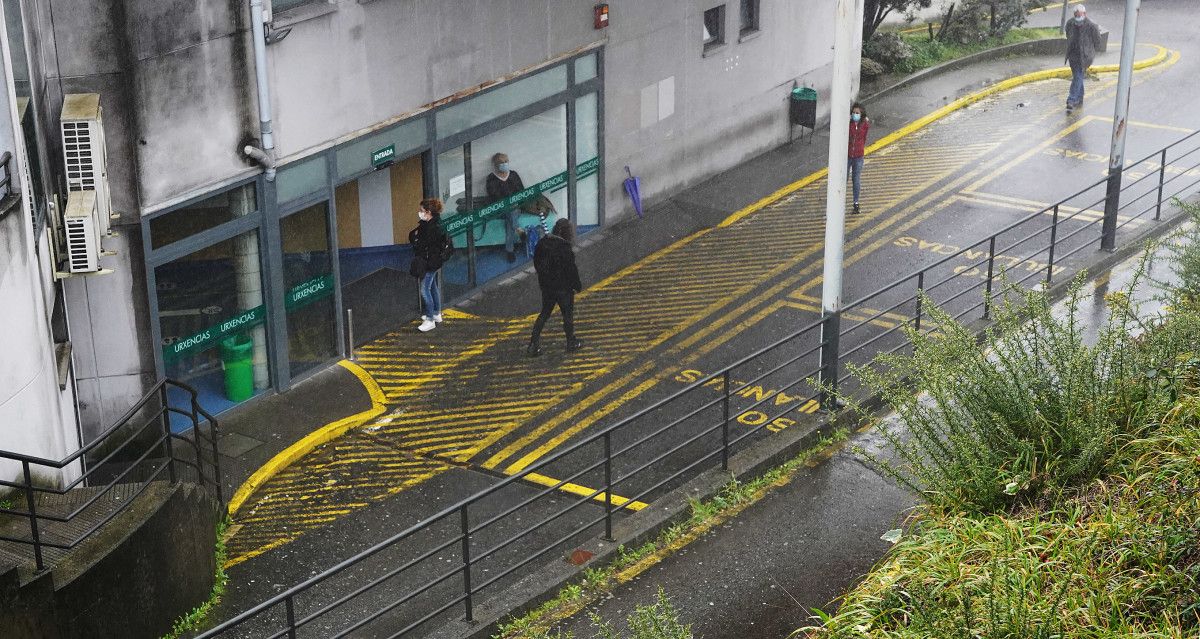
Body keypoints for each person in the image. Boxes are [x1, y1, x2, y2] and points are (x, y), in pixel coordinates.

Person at [527, 218, 583, 357]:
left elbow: (537, 264)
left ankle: (534, 343)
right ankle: (571, 341)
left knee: (545, 313)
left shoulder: (542, 244)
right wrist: (577, 285)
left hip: (547, 287)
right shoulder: (565, 249)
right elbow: (571, 270)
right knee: (567, 315)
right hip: (563, 288)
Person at [408, 198, 450, 332]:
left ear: (428, 212)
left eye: (421, 211)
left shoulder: (431, 228)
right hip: (435, 262)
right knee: (432, 287)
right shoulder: (435, 224)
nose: (419, 213)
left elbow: (427, 246)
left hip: (430, 263)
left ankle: (430, 319)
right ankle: (436, 313)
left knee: (424, 290)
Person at [485, 153, 525, 262]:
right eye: (501, 163)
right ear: (496, 165)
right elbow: (494, 197)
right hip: (500, 210)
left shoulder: (513, 175)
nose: (504, 164)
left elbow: (521, 191)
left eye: (506, 162)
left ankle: (510, 250)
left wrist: (515, 201)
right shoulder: (491, 179)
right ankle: (518, 229)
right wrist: (507, 202)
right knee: (510, 213)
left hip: (515, 208)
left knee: (511, 217)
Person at [1064, 5, 1103, 112]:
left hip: (1085, 57)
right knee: (1078, 76)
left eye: (1080, 15)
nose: (1078, 17)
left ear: (1085, 14)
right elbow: (1068, 35)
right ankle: (1079, 97)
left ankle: (1071, 100)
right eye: (1076, 15)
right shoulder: (1070, 23)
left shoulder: (1091, 26)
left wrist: (1089, 50)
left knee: (1077, 76)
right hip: (1073, 55)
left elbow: (1098, 41)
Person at [848, 103, 870, 215]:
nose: (855, 114)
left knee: (856, 180)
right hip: (848, 156)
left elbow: (864, 138)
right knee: (844, 179)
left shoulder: (865, 125)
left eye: (857, 113)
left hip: (858, 156)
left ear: (861, 114)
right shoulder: (849, 124)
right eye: (853, 112)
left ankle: (856, 203)